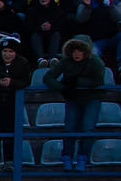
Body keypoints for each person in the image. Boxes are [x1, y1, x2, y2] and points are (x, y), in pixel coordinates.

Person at [45, 37, 108, 171]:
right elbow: (48, 77)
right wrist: (63, 88)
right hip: (73, 99)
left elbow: (98, 81)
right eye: (74, 50)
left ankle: (82, 158)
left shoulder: (96, 62)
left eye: (80, 50)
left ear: (86, 51)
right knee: (69, 128)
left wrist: (77, 81)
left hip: (92, 99)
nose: (76, 53)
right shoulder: (65, 61)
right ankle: (67, 157)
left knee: (88, 128)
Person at [0, 37, 33, 171]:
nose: (7, 54)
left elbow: (26, 81)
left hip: (12, 102)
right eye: (5, 51)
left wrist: (12, 83)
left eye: (10, 51)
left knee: (11, 131)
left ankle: (10, 161)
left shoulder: (23, 63)